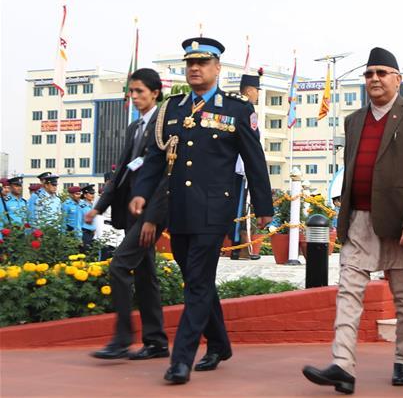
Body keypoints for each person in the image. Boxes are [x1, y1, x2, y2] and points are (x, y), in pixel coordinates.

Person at [130, 38, 273, 385]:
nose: (195, 68)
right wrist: (141, 194)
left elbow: (255, 160)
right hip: (178, 209)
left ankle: (181, 360)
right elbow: (155, 157)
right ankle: (221, 344)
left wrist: (264, 207)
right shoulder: (173, 108)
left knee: (195, 283)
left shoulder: (237, 110)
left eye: (203, 62)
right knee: (198, 280)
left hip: (214, 210)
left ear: (217, 68)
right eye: (190, 62)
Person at [303, 47, 403, 395]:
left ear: (397, 78)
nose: (374, 79)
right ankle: (343, 367)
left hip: (399, 224)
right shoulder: (354, 119)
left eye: (381, 72)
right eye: (369, 74)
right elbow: (350, 173)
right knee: (348, 292)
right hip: (359, 220)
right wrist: (341, 217)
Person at [88, 68, 171, 361]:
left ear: (155, 92)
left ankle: (122, 339)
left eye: (140, 92)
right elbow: (123, 169)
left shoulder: (165, 125)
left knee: (119, 266)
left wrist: (152, 217)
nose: (134, 97)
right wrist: (99, 206)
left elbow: (166, 176)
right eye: (131, 92)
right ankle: (156, 342)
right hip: (131, 212)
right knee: (146, 274)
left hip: (151, 213)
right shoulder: (135, 127)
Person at [230, 70, 262, 260]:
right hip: (240, 166)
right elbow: (253, 141)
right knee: (239, 207)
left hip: (232, 165)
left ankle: (236, 246)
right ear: (249, 90)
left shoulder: (233, 107)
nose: (257, 94)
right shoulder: (247, 109)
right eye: (257, 90)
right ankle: (237, 246)